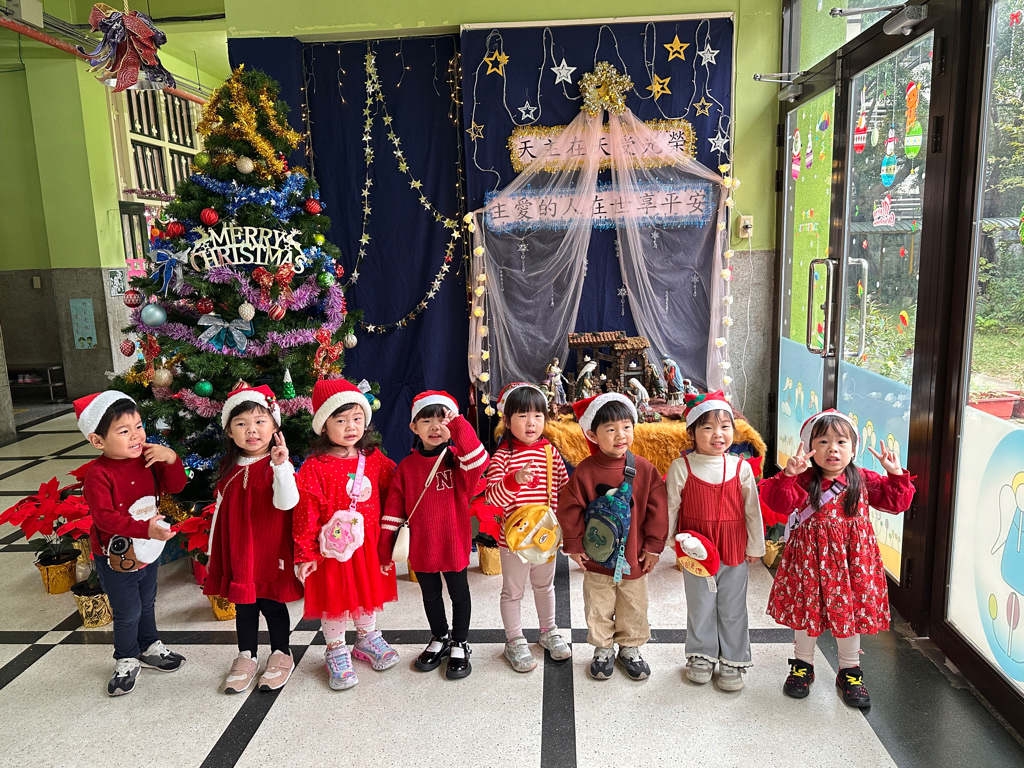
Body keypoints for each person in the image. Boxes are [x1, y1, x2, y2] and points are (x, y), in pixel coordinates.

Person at [761, 409, 914, 708]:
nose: (833, 448)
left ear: (854, 449)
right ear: (809, 448)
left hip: (852, 562)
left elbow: (897, 503)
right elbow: (778, 503)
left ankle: (849, 671)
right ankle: (802, 664)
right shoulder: (803, 480)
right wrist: (788, 476)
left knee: (849, 614)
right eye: (823, 441)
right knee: (807, 610)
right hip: (809, 560)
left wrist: (895, 474)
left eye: (841, 442)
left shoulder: (864, 479)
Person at [78, 391, 186, 696]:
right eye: (124, 431)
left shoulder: (148, 460)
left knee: (147, 601)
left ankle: (149, 645)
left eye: (139, 426)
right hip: (117, 558)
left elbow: (176, 485)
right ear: (97, 440)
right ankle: (125, 658)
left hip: (147, 550)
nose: (136, 435)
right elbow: (105, 519)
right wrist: (144, 529)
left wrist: (171, 458)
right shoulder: (98, 474)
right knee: (128, 611)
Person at [294, 379, 398, 690]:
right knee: (335, 599)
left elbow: (393, 490)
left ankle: (367, 638)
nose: (350, 426)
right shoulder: (314, 467)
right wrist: (305, 554)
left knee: (367, 593)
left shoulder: (374, 458)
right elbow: (305, 514)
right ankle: (336, 649)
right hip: (332, 552)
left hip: (368, 546)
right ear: (323, 426)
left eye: (356, 418)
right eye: (340, 420)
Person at [556, 393, 668, 680]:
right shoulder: (585, 471)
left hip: (634, 557)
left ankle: (630, 648)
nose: (621, 435)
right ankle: (603, 648)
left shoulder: (644, 469)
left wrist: (654, 547)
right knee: (598, 604)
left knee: (634, 604)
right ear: (593, 434)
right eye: (610, 429)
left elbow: (658, 509)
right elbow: (569, 508)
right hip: (596, 558)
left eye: (626, 427)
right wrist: (574, 545)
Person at [378, 391, 488, 679]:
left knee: (459, 594)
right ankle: (439, 637)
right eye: (427, 420)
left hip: (453, 542)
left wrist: (459, 424)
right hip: (422, 545)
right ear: (414, 427)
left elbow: (479, 462)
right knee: (430, 595)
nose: (436, 427)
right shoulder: (406, 467)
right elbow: (394, 510)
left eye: (443, 421)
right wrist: (385, 550)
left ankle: (460, 642)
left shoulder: (458, 461)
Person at [204, 385, 303, 694]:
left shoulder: (278, 465)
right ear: (229, 431)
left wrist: (281, 465)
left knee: (272, 604)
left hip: (270, 549)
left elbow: (287, 502)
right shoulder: (228, 467)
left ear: (274, 427)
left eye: (260, 421)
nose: (252, 430)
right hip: (239, 551)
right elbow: (220, 511)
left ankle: (281, 652)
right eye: (241, 423)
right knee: (244, 607)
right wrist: (213, 552)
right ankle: (246, 655)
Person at [665, 392, 764, 692]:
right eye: (707, 427)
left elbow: (752, 510)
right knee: (700, 605)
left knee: (733, 607)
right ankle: (701, 655)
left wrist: (755, 547)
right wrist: (669, 544)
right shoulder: (681, 467)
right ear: (692, 433)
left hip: (733, 549)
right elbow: (671, 507)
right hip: (695, 551)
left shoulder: (740, 467)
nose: (717, 434)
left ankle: (733, 659)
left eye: (725, 427)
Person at [484, 382, 572, 672]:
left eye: (537, 415)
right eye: (522, 416)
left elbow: (564, 490)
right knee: (513, 590)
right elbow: (492, 497)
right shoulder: (503, 456)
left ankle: (548, 631)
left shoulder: (550, 453)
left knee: (545, 585)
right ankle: (514, 640)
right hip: (514, 541)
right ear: (507, 421)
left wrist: (568, 527)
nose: (531, 422)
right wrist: (514, 480)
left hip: (545, 537)